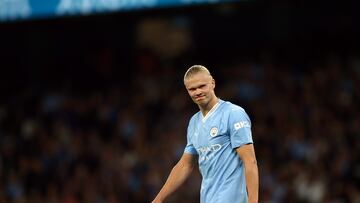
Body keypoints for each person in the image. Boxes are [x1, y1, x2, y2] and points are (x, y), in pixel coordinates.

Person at [152, 65, 259, 203]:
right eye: (192, 89)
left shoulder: (233, 113)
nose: (198, 92)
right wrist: (159, 199)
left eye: (202, 86)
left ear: (213, 83)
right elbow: (185, 165)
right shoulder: (194, 122)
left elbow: (250, 161)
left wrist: (253, 201)